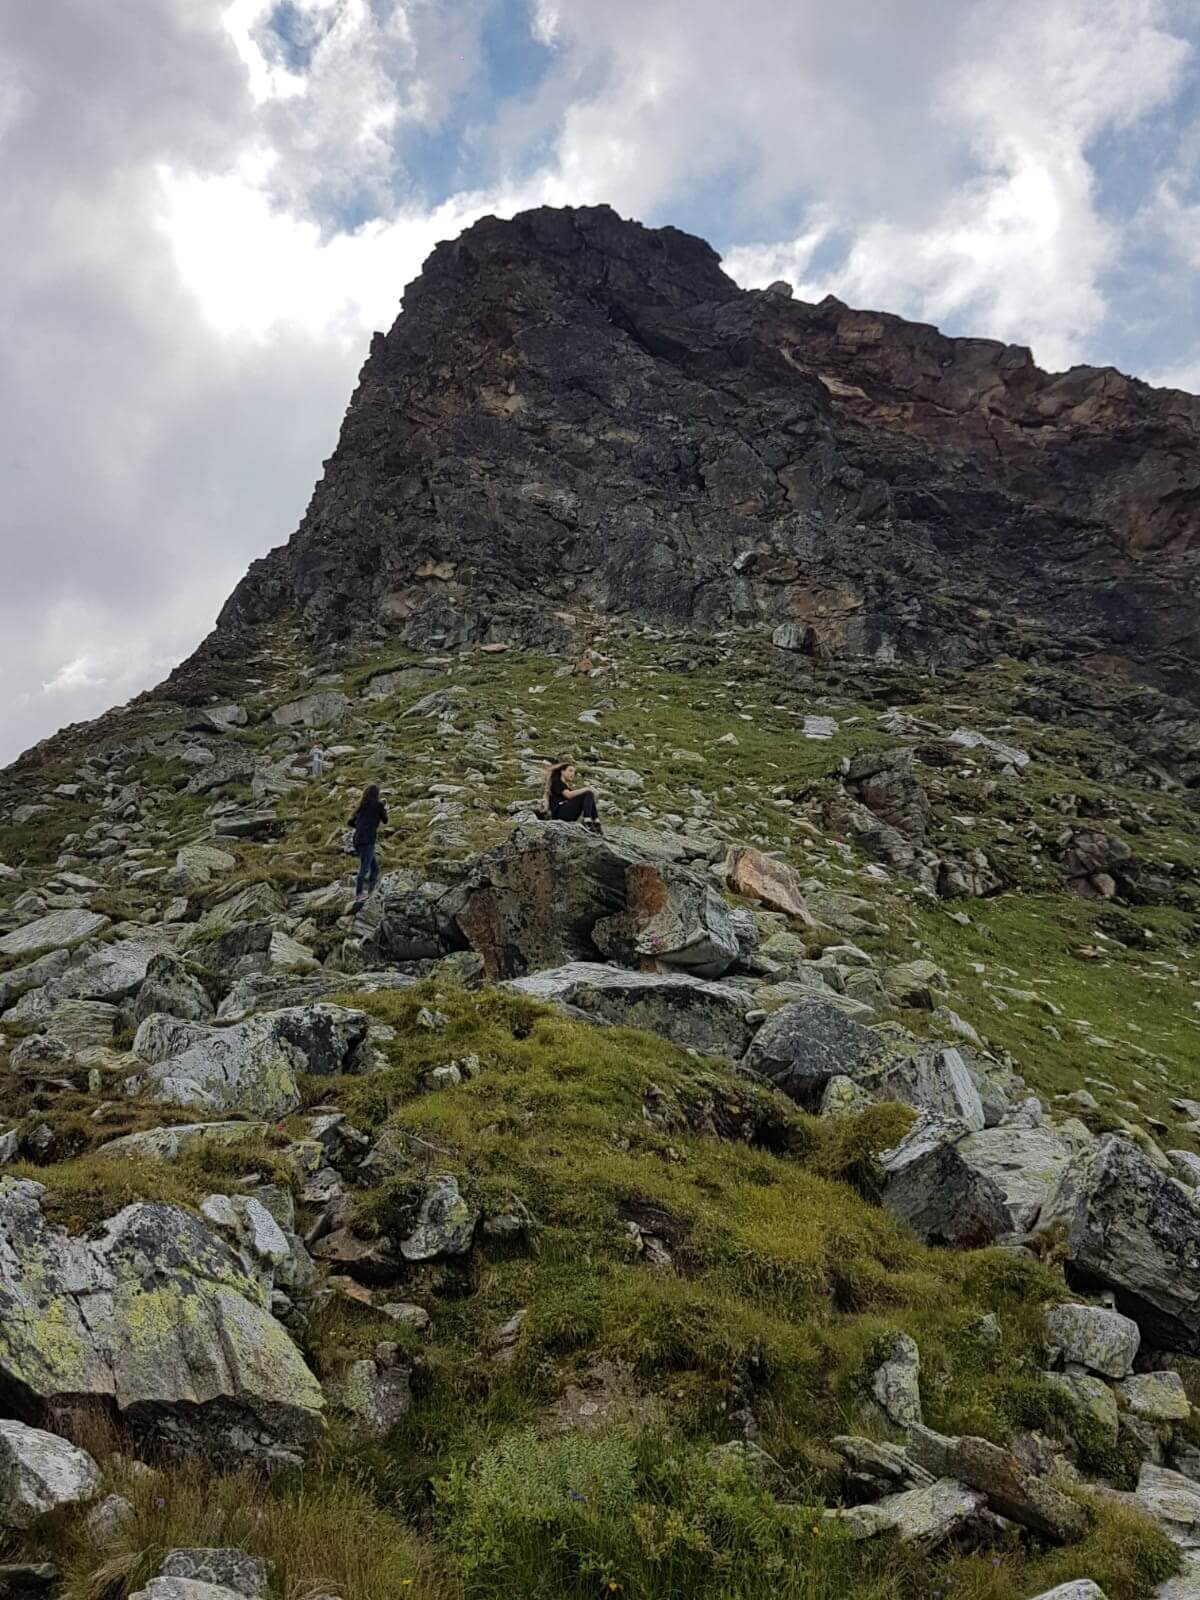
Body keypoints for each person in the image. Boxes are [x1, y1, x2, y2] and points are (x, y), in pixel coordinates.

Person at [349, 783, 388, 908]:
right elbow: (385, 820)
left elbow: (350, 822)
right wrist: (383, 807)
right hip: (368, 840)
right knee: (364, 869)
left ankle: (371, 892)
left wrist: (362, 826)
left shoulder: (362, 806)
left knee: (375, 869)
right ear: (377, 794)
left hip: (358, 840)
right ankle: (359, 893)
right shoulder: (378, 805)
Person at [545, 760, 602, 832]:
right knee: (587, 792)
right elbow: (568, 795)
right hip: (560, 813)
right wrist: (586, 788)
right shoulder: (556, 782)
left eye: (574, 772)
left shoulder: (565, 786)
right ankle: (588, 820)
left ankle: (595, 821)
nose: (573, 774)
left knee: (588, 793)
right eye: (570, 771)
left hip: (566, 813)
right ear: (562, 771)